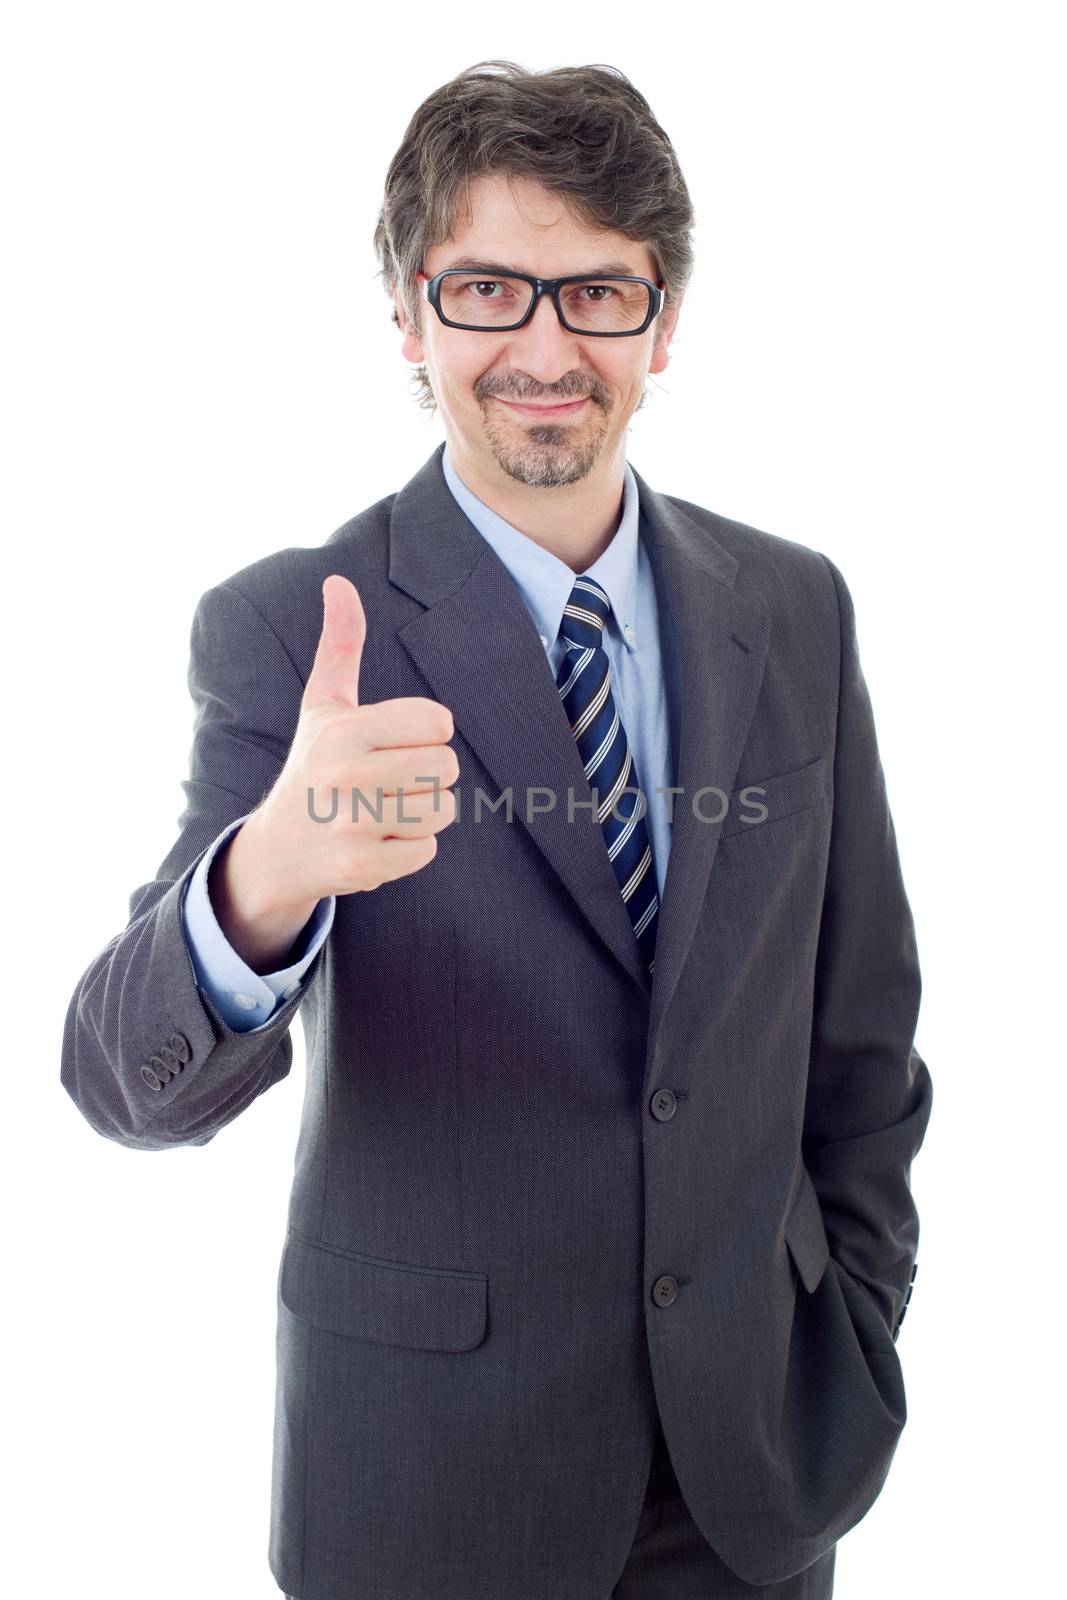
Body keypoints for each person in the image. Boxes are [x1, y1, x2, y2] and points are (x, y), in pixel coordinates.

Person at [61, 59, 932, 1600]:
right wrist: (263, 883)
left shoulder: (794, 608)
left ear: (663, 324)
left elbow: (861, 1039)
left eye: (598, 293)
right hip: (434, 1492)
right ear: (411, 320)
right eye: (488, 291)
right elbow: (121, 1086)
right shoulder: (294, 627)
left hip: (752, 1482)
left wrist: (849, 1318)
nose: (545, 347)